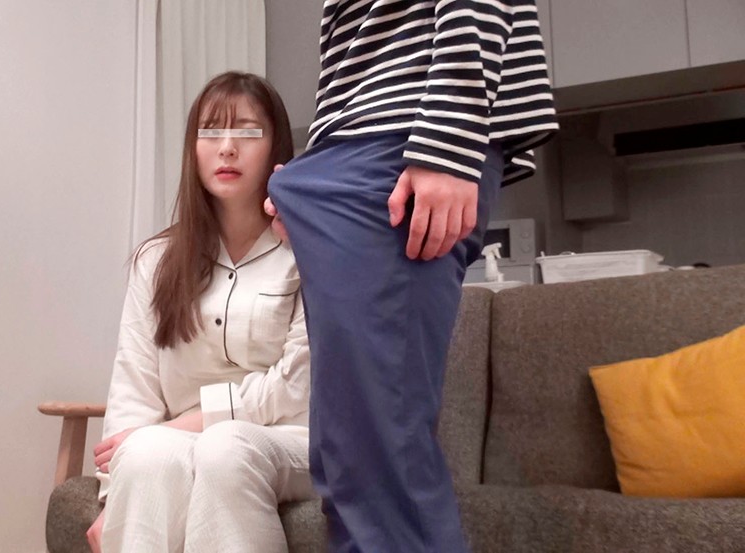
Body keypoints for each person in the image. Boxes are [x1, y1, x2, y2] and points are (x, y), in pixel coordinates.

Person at [265, 2, 559, 551]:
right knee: (346, 454)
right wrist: (317, 172)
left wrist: (448, 140)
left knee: (377, 464)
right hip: (359, 152)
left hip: (398, 144)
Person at [86, 71, 314, 553]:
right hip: (179, 442)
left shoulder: (308, 255)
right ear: (193, 148)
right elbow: (134, 388)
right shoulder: (156, 261)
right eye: (210, 131)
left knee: (223, 447)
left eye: (248, 132)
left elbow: (294, 386)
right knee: (147, 453)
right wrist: (116, 499)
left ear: (275, 149)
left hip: (292, 438)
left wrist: (177, 426)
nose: (227, 148)